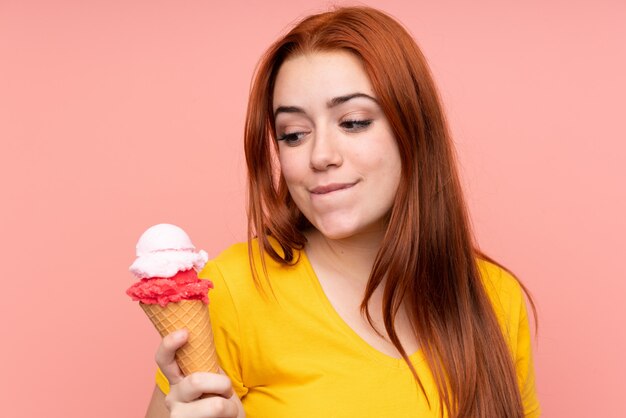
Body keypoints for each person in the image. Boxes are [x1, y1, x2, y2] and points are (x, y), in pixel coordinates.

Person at [145, 6, 540, 418]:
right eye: (294, 134)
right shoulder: (230, 290)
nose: (320, 156)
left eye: (352, 122)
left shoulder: (497, 299)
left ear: (414, 129)